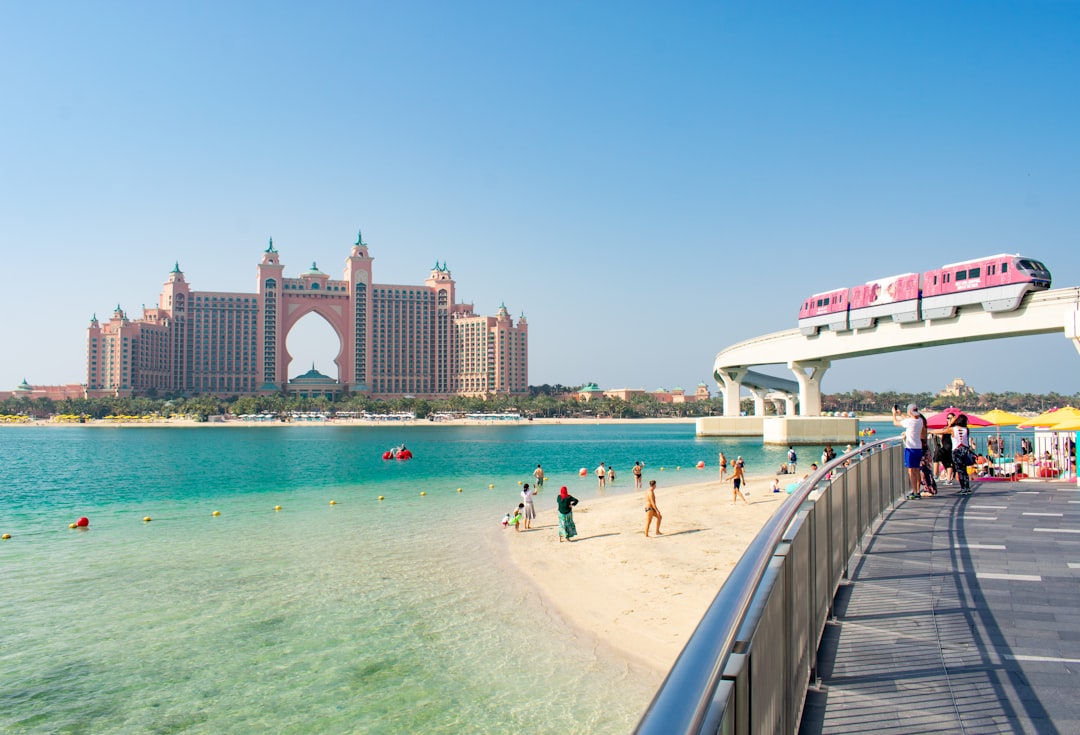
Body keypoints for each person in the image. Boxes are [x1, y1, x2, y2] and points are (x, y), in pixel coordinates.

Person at [932, 413, 976, 495]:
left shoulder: (953, 429)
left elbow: (943, 431)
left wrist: (951, 423)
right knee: (964, 470)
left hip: (957, 451)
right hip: (965, 450)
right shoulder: (966, 429)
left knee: (960, 470)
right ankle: (967, 487)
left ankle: (963, 488)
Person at [893, 403, 926, 499]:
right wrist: (901, 414)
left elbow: (895, 423)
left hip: (910, 449)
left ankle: (915, 492)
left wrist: (894, 414)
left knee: (911, 471)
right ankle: (918, 491)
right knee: (916, 470)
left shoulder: (910, 421)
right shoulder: (920, 421)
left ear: (909, 412)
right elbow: (909, 420)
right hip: (918, 448)